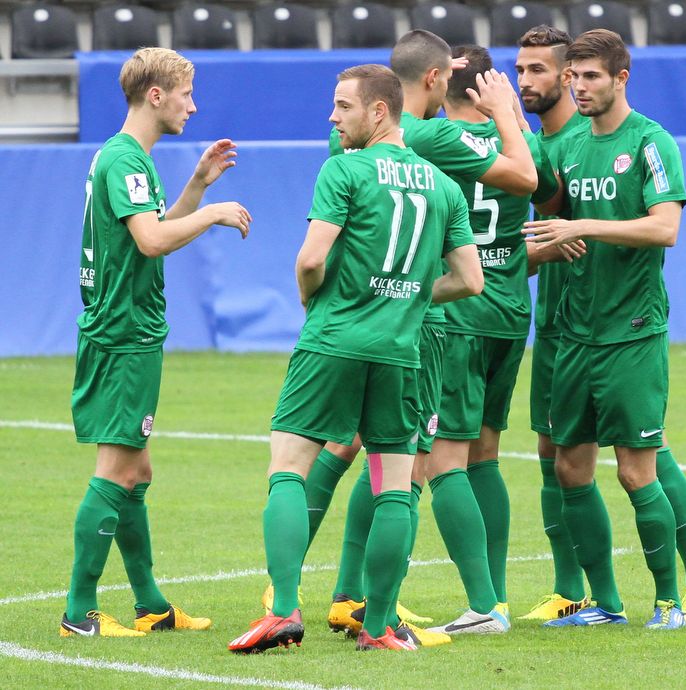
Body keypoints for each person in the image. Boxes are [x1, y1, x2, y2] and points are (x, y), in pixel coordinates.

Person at [279, 29, 539, 643]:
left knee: (363, 452)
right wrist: (507, 112)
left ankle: (339, 595)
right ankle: (419, 602)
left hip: (378, 316)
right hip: (447, 317)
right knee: (419, 460)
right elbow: (528, 178)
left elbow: (320, 249)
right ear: (436, 78)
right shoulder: (447, 139)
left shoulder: (371, 142)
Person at [227, 63, 483, 654]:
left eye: (343, 106)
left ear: (379, 111)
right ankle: (379, 625)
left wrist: (309, 297)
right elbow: (470, 280)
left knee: (289, 467)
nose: (333, 117)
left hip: (334, 340)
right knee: (394, 484)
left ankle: (283, 611)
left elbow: (312, 259)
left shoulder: (343, 169)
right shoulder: (443, 186)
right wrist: (410, 295)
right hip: (402, 352)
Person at [516, 25, 686, 625]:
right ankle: (605, 604)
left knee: (637, 469)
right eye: (573, 76)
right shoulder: (568, 148)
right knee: (568, 466)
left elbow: (665, 227)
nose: (578, 87)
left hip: (631, 330)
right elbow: (546, 221)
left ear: (621, 78)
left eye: (590, 77)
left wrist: (585, 226)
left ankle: (671, 599)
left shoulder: (651, 141)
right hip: (573, 332)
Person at [62, 47, 252, 638]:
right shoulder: (126, 160)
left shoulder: (127, 157)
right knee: (116, 471)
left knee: (136, 472)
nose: (192, 106)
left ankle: (151, 605)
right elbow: (151, 241)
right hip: (124, 334)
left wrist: (197, 184)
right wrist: (214, 212)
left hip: (125, 330)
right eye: (186, 95)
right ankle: (79, 614)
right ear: (156, 95)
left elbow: (156, 229)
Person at [423, 44, 562, 636]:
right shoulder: (517, 144)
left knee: (439, 461)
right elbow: (547, 190)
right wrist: (511, 117)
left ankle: (481, 605)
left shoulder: (431, 141)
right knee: (485, 455)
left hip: (458, 313)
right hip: (509, 314)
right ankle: (497, 597)